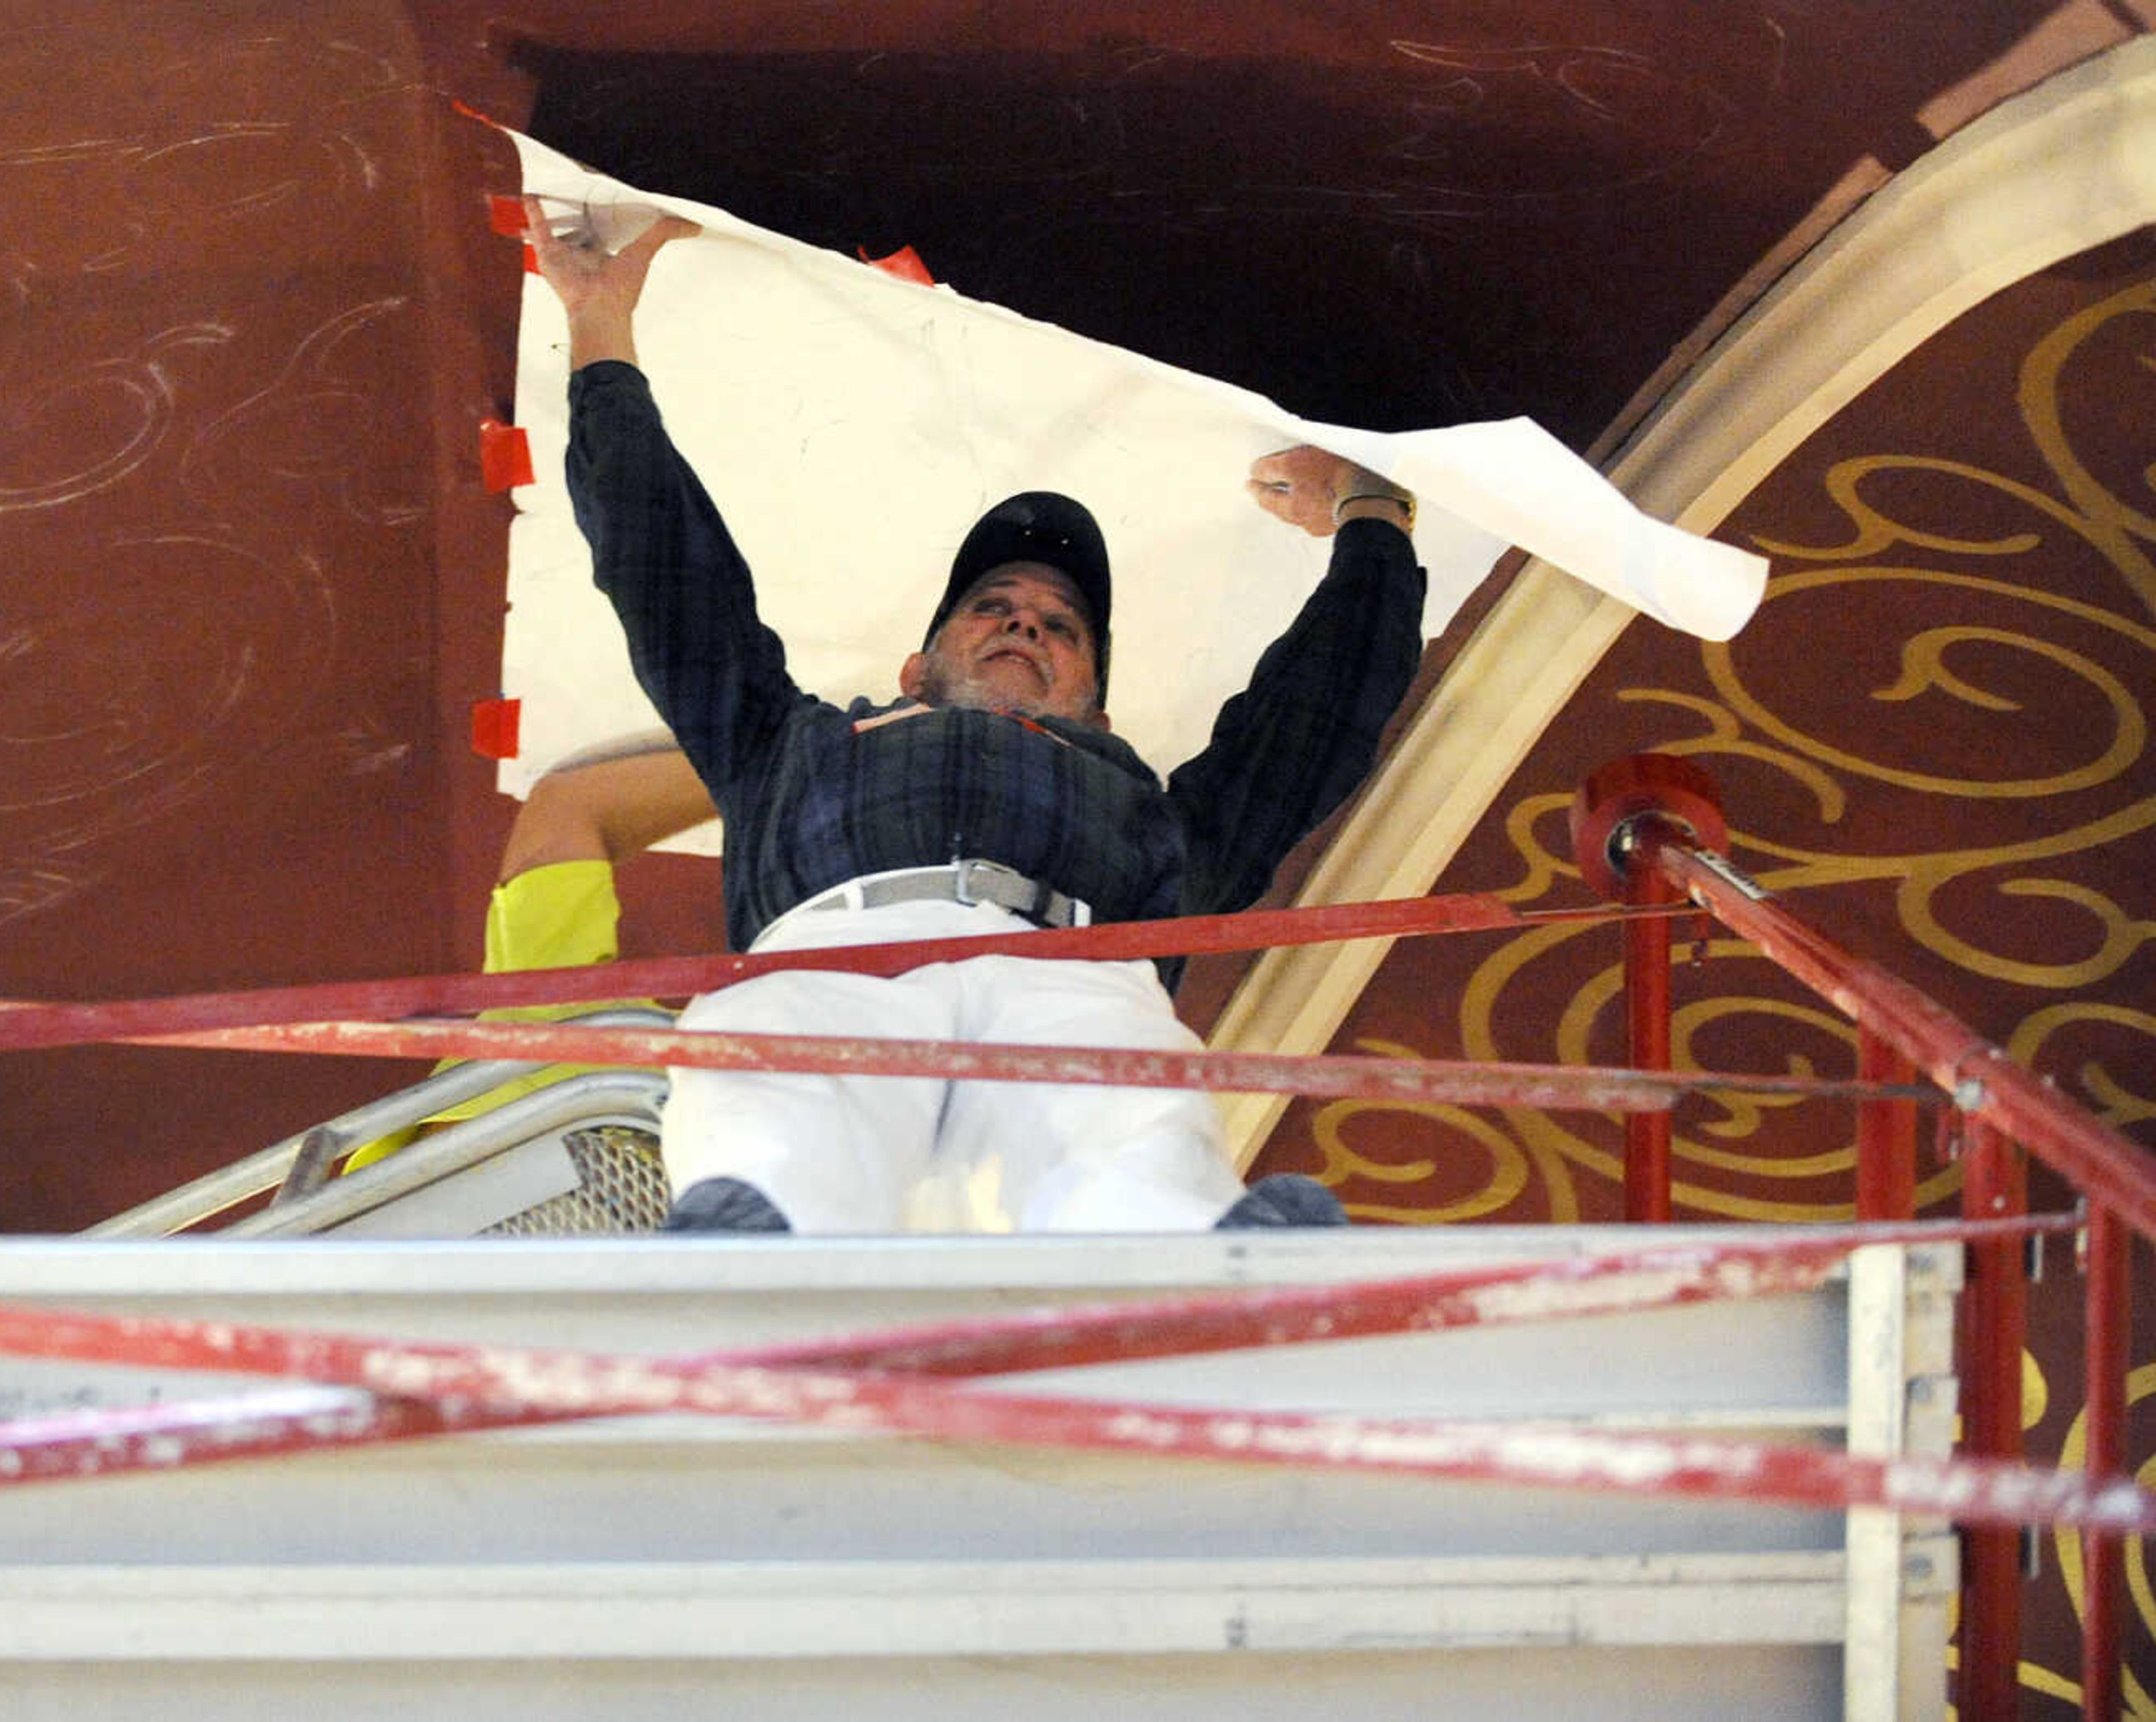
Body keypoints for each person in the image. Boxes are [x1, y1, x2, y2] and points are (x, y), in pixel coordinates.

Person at [523, 195, 1425, 1233]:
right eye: (991, 608)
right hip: (835, 960)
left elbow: (1316, 716)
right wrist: (599, 323)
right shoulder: (790, 744)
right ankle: (747, 1263)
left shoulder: (1162, 823)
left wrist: (1374, 511)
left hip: (1076, 971)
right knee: (776, 1113)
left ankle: (1211, 1273)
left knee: (1128, 1140)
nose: (1026, 626)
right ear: (915, 666)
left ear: (1096, 707)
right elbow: (665, 571)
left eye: (1060, 626)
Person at [339, 740, 713, 1176]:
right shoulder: (550, 1033)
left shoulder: (550, 1031)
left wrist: (787, 778)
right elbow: (569, 809)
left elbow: (570, 809)